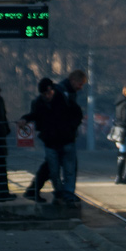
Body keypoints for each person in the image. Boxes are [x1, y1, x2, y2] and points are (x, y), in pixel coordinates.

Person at [44, 70, 87, 205]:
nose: (81, 87)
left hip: (58, 138)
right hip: (61, 138)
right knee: (66, 168)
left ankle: (63, 192)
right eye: (80, 84)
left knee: (57, 168)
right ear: (73, 80)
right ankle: (66, 192)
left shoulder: (64, 93)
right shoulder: (63, 94)